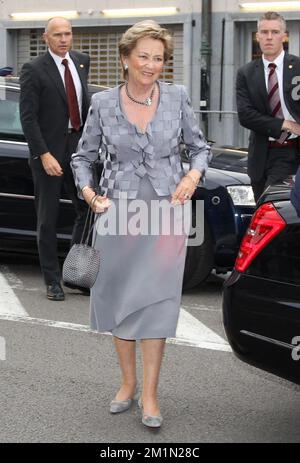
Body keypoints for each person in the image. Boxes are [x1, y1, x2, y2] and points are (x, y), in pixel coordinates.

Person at [71, 20, 211, 428]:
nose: (151, 65)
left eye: (159, 58)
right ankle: (127, 384)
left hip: (167, 210)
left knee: (157, 299)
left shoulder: (177, 97)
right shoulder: (102, 104)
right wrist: (89, 194)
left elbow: (200, 148)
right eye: (144, 57)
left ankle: (150, 394)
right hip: (118, 213)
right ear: (125, 59)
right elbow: (83, 158)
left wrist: (191, 176)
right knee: (118, 296)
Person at [20, 17, 90, 301]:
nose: (64, 39)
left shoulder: (81, 61)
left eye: (68, 34)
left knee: (87, 211)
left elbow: (84, 107)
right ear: (45, 38)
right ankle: (52, 281)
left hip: (78, 151)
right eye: (58, 35)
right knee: (47, 219)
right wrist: (43, 153)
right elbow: (28, 117)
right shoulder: (34, 69)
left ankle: (73, 274)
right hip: (48, 153)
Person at [236, 11, 300, 202]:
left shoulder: (297, 67)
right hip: (260, 154)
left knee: (272, 208)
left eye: (274, 31)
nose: (269, 37)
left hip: (291, 152)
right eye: (264, 32)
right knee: (262, 209)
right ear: (257, 36)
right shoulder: (246, 73)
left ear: (284, 35)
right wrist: (285, 125)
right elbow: (245, 115)